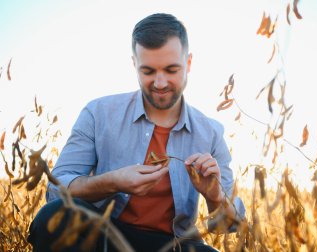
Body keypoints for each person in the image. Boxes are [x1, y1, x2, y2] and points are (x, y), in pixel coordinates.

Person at [28, 13, 245, 251]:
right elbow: (57, 190)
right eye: (148, 71)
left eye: (171, 70)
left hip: (173, 245)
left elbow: (228, 226)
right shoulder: (98, 113)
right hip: (104, 237)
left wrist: (215, 196)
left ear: (189, 63)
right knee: (52, 217)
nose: (160, 83)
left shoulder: (211, 133)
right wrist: (113, 181)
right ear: (134, 65)